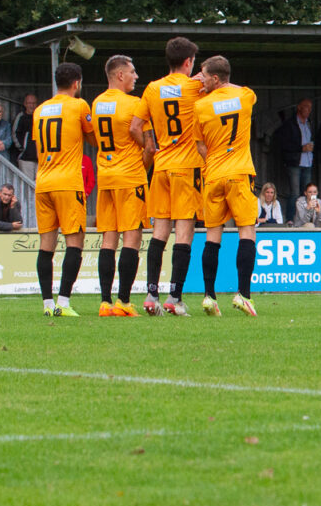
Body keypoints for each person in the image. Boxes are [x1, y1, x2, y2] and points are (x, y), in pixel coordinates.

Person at [139, 36, 205, 316]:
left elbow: (136, 125)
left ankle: (151, 295)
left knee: (159, 232)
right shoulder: (195, 87)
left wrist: (150, 147)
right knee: (184, 232)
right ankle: (174, 297)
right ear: (188, 62)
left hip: (161, 166)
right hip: (187, 166)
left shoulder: (152, 88)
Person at [193, 55, 260, 317]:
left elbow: (200, 146)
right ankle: (243, 295)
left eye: (203, 76)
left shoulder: (201, 106)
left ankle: (209, 297)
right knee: (247, 231)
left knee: (212, 236)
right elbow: (241, 92)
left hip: (213, 175)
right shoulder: (245, 95)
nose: (200, 80)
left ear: (215, 78)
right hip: (240, 173)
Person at [90, 54, 152, 317]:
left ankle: (105, 302)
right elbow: (149, 147)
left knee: (108, 239)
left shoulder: (97, 103)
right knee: (132, 238)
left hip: (106, 177)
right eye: (132, 72)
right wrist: (144, 166)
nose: (136, 76)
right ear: (119, 75)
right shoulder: (134, 104)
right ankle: (123, 302)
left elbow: (94, 138)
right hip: (129, 177)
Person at [32, 62, 94, 316]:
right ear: (77, 83)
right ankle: (64, 302)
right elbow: (93, 138)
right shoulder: (79, 105)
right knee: (74, 242)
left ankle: (47, 304)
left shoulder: (39, 110)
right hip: (68, 183)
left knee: (46, 244)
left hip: (43, 182)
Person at [273, 97, 315, 213]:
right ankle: (291, 218)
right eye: (306, 107)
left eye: (310, 108)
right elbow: (284, 144)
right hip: (295, 162)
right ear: (299, 108)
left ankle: (307, 217)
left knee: (308, 193)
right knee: (295, 193)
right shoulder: (290, 124)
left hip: (308, 162)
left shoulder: (309, 123)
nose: (309, 110)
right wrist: (301, 148)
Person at [11, 93, 40, 176]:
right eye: (29, 103)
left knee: (40, 183)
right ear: (25, 104)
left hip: (41, 158)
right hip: (26, 158)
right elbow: (15, 134)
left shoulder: (41, 116)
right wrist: (23, 148)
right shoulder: (21, 117)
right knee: (27, 182)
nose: (32, 106)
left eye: (34, 103)